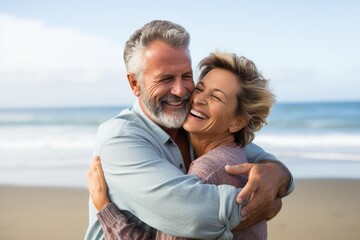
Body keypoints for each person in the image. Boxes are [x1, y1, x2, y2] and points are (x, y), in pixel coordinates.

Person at [85, 20, 294, 240]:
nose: (181, 90)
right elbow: (194, 216)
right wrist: (265, 203)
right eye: (166, 78)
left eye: (186, 76)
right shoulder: (120, 139)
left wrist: (278, 176)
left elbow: (259, 158)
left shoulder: (191, 125)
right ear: (135, 84)